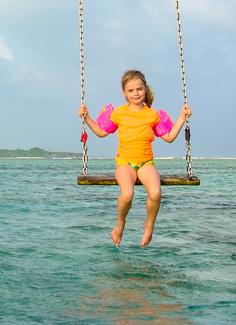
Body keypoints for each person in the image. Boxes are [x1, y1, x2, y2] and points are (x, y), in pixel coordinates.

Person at [79, 69, 192, 247]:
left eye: (139, 89)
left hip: (146, 162)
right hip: (125, 162)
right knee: (127, 193)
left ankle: (149, 225)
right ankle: (120, 223)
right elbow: (101, 132)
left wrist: (182, 118)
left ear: (145, 89)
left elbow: (169, 137)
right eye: (131, 90)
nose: (136, 93)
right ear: (124, 93)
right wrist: (87, 118)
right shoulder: (119, 113)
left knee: (155, 193)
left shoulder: (152, 114)